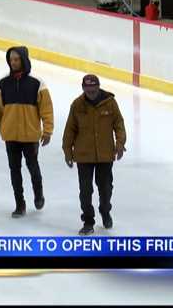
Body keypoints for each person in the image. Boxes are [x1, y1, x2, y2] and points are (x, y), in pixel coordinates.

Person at [0, 46, 54, 218]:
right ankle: (20, 204)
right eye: (11, 60)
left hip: (30, 135)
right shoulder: (2, 84)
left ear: (23, 60)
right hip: (11, 136)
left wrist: (47, 131)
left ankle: (38, 194)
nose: (13, 62)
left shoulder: (37, 83)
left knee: (33, 167)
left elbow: (46, 110)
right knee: (14, 170)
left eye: (16, 59)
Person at [62, 74, 126, 235]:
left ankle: (105, 211)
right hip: (83, 155)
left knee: (105, 188)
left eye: (93, 87)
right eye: (87, 88)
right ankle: (88, 221)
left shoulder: (110, 103)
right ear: (83, 88)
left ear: (98, 87)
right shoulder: (77, 105)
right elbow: (70, 129)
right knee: (85, 190)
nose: (90, 91)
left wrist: (120, 144)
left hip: (105, 154)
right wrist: (67, 151)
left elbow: (119, 124)